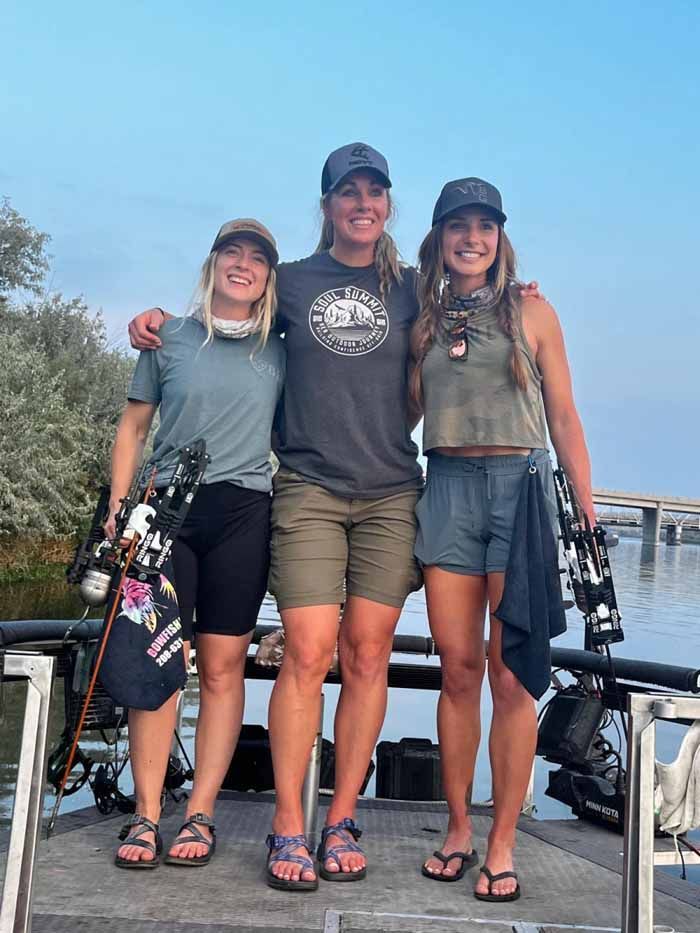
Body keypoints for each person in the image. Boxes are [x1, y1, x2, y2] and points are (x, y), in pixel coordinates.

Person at [127, 147, 541, 889]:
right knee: (309, 651)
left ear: (388, 206)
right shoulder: (290, 283)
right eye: (346, 191)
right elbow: (223, 312)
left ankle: (341, 813)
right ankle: (290, 822)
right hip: (309, 488)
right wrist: (158, 321)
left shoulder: (419, 289)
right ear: (326, 204)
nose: (361, 202)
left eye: (373, 192)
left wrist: (521, 289)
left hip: (390, 493)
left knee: (368, 653)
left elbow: (487, 300)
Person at [409, 178, 594, 901]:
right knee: (459, 670)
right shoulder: (422, 320)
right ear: (439, 238)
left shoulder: (535, 310)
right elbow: (393, 414)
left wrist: (581, 506)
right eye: (459, 226)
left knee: (511, 673)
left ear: (500, 237)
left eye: (485, 226)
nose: (473, 238)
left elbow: (566, 417)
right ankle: (457, 826)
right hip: (446, 488)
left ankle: (502, 839)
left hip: (521, 490)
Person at [110, 219, 284, 869]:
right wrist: (117, 510)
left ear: (269, 276)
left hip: (244, 514)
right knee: (157, 670)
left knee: (219, 668)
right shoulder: (167, 337)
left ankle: (200, 812)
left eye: (256, 258)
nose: (243, 264)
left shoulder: (280, 346)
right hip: (163, 515)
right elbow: (132, 428)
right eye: (231, 252)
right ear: (212, 263)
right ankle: (146, 812)